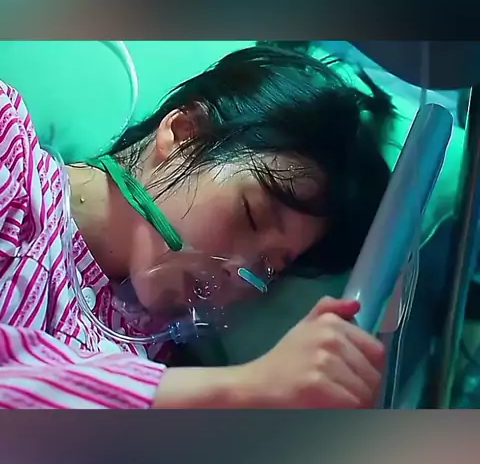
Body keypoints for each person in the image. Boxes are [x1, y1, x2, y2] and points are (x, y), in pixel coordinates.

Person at [0, 45, 390, 409]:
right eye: (251, 215)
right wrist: (237, 388)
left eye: (268, 267)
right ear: (183, 132)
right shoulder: (7, 151)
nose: (238, 272)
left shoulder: (157, 358)